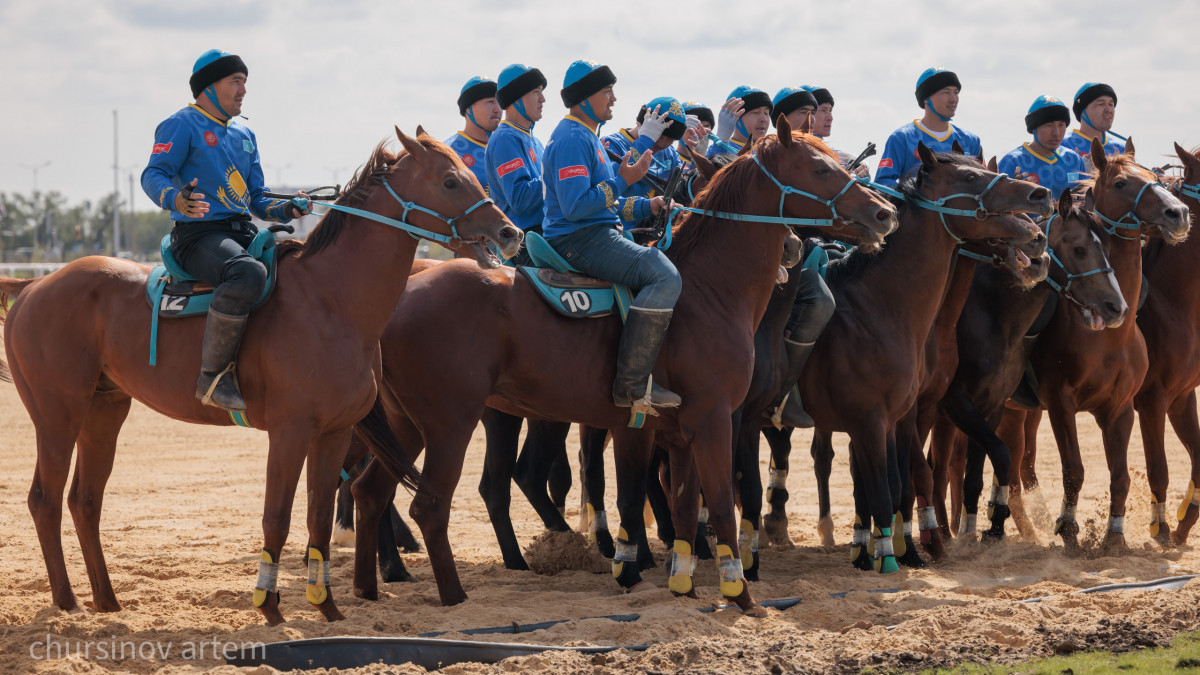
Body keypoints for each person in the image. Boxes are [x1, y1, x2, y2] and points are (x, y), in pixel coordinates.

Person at [141, 49, 309, 412]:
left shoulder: (245, 134)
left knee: (304, 267)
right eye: (236, 81)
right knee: (246, 272)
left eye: (245, 82)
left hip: (242, 231)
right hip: (197, 236)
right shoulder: (181, 124)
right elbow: (152, 174)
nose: (243, 90)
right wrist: (174, 198)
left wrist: (288, 207)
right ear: (208, 87)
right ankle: (213, 377)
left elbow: (258, 199)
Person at [542, 60, 681, 410]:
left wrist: (646, 208)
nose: (614, 99)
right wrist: (624, 179)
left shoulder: (586, 135)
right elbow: (576, 207)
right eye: (607, 91)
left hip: (592, 232)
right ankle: (632, 386)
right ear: (584, 98)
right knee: (663, 274)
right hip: (580, 239)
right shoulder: (573, 137)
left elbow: (606, 204)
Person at [875, 67, 982, 187]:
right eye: (946, 92)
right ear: (926, 99)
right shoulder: (902, 138)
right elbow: (882, 182)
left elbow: (985, 184)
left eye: (956, 92)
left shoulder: (970, 140)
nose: (953, 99)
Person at [485, 63, 547, 265]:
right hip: (521, 243)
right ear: (517, 97)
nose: (543, 99)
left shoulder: (535, 141)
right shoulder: (505, 138)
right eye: (536, 92)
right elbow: (520, 199)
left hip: (541, 235)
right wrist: (557, 177)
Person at [601, 96, 687, 227]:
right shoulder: (610, 144)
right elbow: (606, 189)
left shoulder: (670, 154)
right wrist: (645, 142)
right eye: (658, 138)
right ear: (642, 124)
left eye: (670, 140)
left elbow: (684, 190)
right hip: (615, 229)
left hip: (653, 231)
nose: (662, 144)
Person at [998, 96, 1088, 200]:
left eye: (1061, 125)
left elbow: (1087, 204)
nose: (1057, 133)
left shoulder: (1074, 160)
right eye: (1049, 125)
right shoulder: (1012, 162)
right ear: (1034, 128)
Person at [446, 76, 501, 194]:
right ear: (469, 109)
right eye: (490, 102)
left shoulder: (508, 146)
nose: (498, 109)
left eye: (499, 102)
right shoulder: (449, 151)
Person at [802, 84, 869, 178]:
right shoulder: (790, 150)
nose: (830, 118)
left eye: (830, 110)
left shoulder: (847, 159)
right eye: (823, 110)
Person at [1060, 82, 1125, 168]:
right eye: (1101, 104)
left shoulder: (1122, 149)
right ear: (1082, 112)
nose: (1109, 109)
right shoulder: (1063, 146)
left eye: (1111, 104)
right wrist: (1079, 171)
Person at [707, 86, 771, 159]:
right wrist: (720, 143)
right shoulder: (720, 150)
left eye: (766, 113)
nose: (764, 119)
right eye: (756, 112)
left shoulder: (772, 152)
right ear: (734, 118)